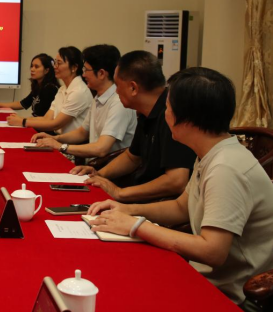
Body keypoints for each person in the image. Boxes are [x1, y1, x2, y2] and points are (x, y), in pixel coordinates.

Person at [87, 67, 273, 311]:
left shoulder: (226, 168)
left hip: (228, 295)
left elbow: (213, 251)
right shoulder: (211, 153)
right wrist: (126, 209)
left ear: (187, 117)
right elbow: (181, 207)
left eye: (168, 107)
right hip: (201, 276)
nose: (165, 113)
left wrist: (136, 226)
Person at [71, 51, 196, 202]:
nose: (116, 91)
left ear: (133, 88)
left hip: (158, 204)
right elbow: (132, 157)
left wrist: (120, 192)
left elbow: (176, 181)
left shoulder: (171, 114)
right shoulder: (146, 111)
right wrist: (98, 174)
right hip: (140, 196)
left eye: (117, 85)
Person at [31, 45, 137, 159]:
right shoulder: (97, 98)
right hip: (93, 164)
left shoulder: (118, 102)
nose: (83, 74)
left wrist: (61, 146)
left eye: (86, 70)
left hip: (108, 167)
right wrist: (54, 139)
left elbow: (101, 149)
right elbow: (82, 132)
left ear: (101, 73)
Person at [7, 46, 91, 134]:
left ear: (74, 67)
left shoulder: (78, 91)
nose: (55, 66)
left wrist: (23, 122)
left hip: (69, 141)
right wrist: (21, 119)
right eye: (55, 62)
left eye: (59, 63)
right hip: (60, 138)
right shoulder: (62, 89)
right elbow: (46, 118)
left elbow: (56, 124)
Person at [0, 53, 59, 117]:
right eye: (32, 66)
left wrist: (21, 120)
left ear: (46, 70)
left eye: (36, 67)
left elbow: (41, 117)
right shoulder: (39, 86)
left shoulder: (50, 89)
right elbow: (22, 104)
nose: (32, 69)